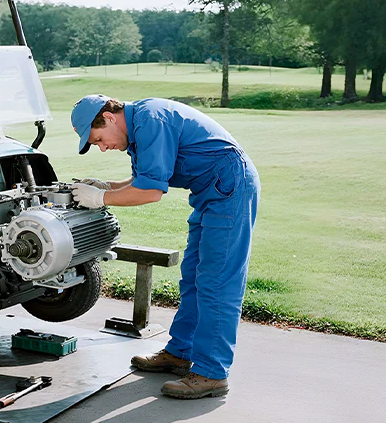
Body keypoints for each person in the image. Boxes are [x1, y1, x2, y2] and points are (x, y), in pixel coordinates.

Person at [69, 95, 260, 399]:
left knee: (217, 281)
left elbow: (151, 191)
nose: (103, 148)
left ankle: (212, 373)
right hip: (212, 192)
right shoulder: (137, 127)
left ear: (108, 117)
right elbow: (142, 179)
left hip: (229, 189)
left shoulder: (150, 120)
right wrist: (105, 186)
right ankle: (180, 353)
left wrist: (100, 198)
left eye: (99, 139)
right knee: (194, 277)